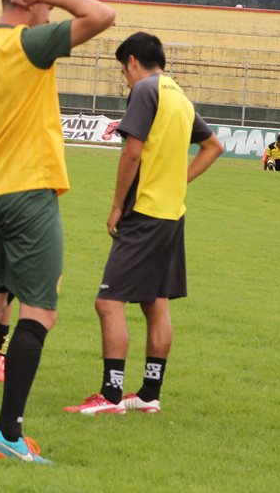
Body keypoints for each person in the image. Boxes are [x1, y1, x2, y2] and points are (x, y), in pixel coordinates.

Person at [0, 0, 115, 462]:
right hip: (28, 191)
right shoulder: (29, 44)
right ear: (28, 1)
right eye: (45, 4)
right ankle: (9, 434)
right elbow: (103, 15)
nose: (51, 12)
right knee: (38, 311)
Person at [64, 31, 222, 420]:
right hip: (171, 212)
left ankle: (111, 394)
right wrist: (179, 180)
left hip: (145, 213)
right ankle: (150, 393)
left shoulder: (146, 90)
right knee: (155, 302)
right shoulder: (179, 96)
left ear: (133, 61)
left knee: (108, 301)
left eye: (124, 71)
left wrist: (117, 205)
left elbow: (132, 153)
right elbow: (214, 145)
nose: (126, 80)